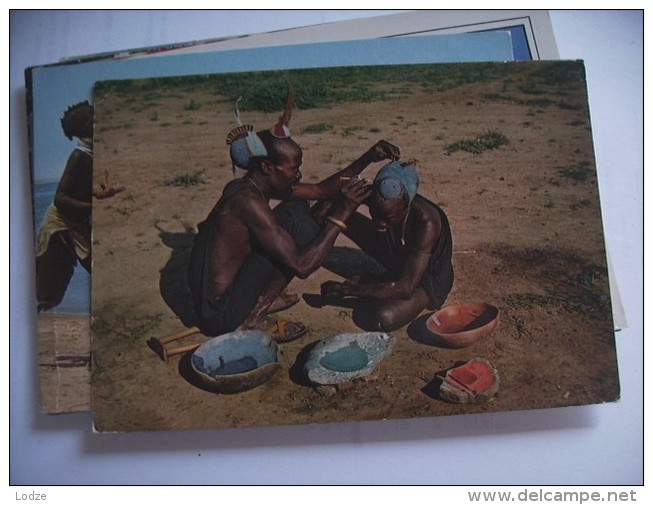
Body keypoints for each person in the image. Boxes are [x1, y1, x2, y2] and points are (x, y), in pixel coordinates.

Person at [187, 97, 399, 340]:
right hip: (220, 315)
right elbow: (303, 266)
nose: (299, 174)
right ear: (268, 167)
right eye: (293, 168)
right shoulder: (248, 203)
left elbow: (321, 190)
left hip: (212, 303)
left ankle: (257, 299)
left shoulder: (247, 185)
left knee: (295, 209)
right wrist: (342, 214)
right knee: (302, 226)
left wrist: (368, 158)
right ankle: (253, 315)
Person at [319, 159, 454, 332]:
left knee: (382, 317)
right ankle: (381, 282)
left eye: (388, 217)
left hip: (426, 279)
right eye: (375, 213)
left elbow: (406, 288)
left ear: (407, 206)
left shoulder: (427, 222)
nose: (380, 223)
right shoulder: (378, 197)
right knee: (335, 207)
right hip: (399, 255)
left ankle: (380, 283)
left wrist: (349, 290)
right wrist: (344, 198)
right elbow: (328, 194)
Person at [35, 101, 124, 312]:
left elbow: (80, 186)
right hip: (61, 226)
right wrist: (93, 206)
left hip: (75, 223)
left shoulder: (89, 153)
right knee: (48, 290)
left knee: (87, 268)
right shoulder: (79, 156)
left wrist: (97, 194)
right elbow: (61, 198)